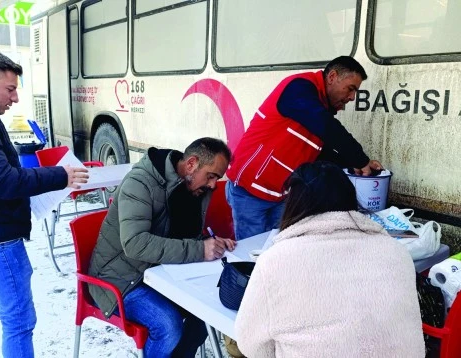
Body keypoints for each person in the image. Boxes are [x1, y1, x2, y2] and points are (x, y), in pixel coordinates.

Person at [0, 47, 89, 358]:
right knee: (19, 322)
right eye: (10, 89)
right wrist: (59, 176)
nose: (15, 99)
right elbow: (1, 182)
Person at [235, 161, 425, 357]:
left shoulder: (274, 261)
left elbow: (251, 345)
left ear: (293, 203)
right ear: (350, 199)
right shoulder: (396, 251)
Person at [89, 137, 236, 358]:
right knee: (168, 326)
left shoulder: (195, 187)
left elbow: (182, 235)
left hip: (160, 272)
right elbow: (135, 244)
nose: (214, 184)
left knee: (210, 308)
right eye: (211, 176)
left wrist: (209, 243)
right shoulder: (140, 182)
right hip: (121, 279)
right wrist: (199, 249)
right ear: (191, 164)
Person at [226, 56, 383, 240]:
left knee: (282, 249)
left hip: (281, 194)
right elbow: (327, 126)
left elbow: (320, 153)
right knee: (252, 254)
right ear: (332, 76)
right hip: (249, 191)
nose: (352, 97)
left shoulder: (320, 107)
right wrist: (360, 159)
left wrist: (351, 164)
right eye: (350, 89)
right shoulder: (299, 88)